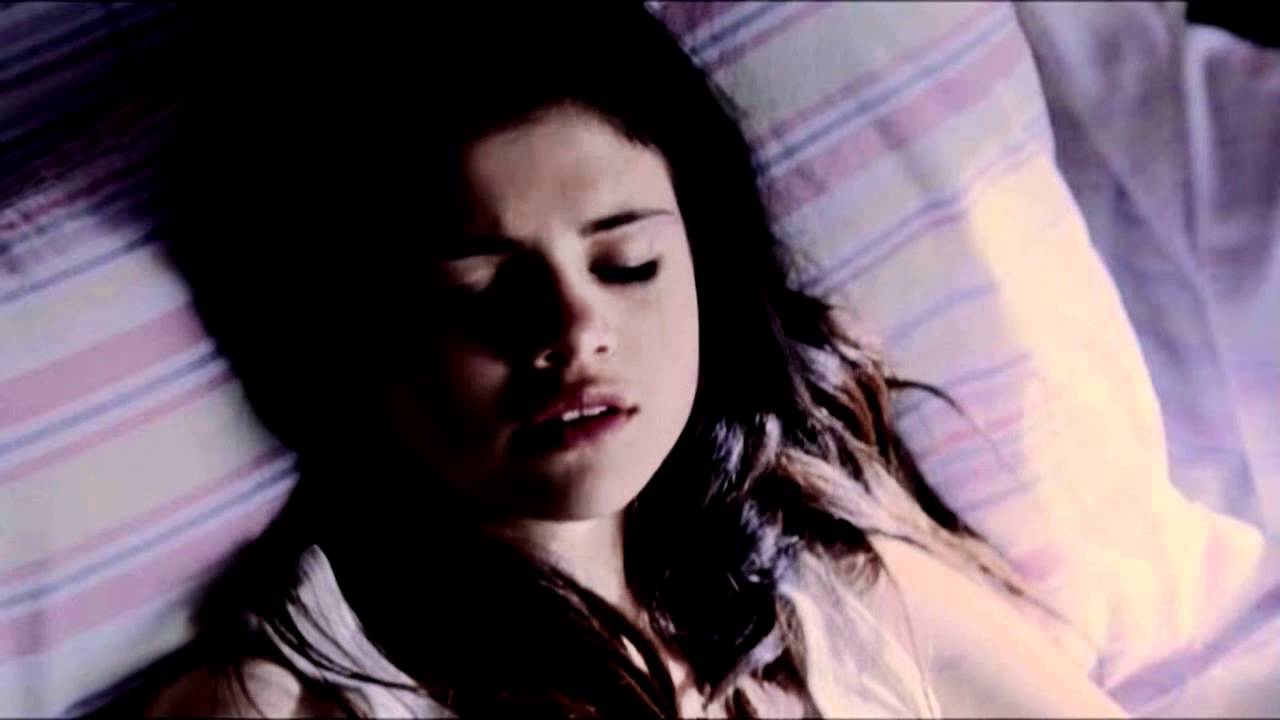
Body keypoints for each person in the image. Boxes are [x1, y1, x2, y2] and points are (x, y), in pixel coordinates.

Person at [141, 4, 1128, 717]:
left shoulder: (841, 605)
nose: (576, 330)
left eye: (628, 265)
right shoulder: (293, 699)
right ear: (351, 333)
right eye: (482, 291)